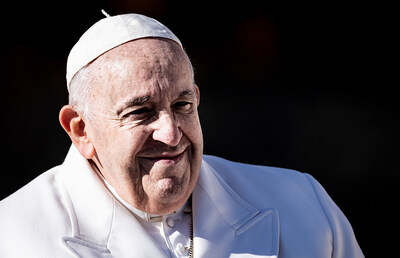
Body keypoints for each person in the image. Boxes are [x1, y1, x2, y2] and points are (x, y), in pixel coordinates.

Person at [0, 12, 364, 258]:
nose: (172, 134)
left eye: (182, 105)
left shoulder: (304, 206)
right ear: (80, 130)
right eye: (141, 112)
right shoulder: (13, 235)